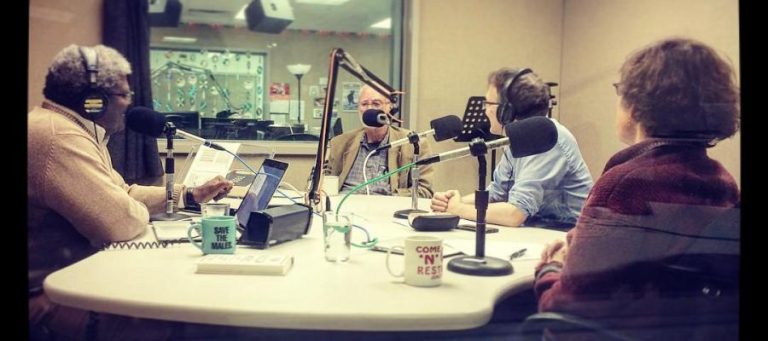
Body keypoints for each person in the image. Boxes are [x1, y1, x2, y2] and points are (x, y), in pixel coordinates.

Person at [533, 37, 740, 339]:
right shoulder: (722, 182)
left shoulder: (627, 184)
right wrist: (577, 245)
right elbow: (657, 257)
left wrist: (548, 270)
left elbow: (563, 311)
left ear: (636, 105)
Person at [28, 44, 234, 339]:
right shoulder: (58, 137)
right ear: (93, 101)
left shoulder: (67, 127)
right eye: (123, 95)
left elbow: (121, 193)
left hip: (67, 278)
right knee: (187, 322)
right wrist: (123, 206)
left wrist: (189, 195)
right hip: (44, 296)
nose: (129, 104)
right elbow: (119, 221)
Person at [431, 68, 593, 228]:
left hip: (565, 238)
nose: (484, 109)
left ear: (506, 111)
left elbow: (515, 214)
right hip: (541, 232)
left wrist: (458, 209)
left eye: (488, 103)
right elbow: (497, 194)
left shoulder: (547, 139)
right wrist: (451, 201)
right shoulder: (519, 137)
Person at [326, 84, 434, 198]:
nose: (369, 109)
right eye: (364, 104)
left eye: (376, 104)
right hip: (344, 208)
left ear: (389, 107)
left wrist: (391, 198)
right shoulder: (339, 143)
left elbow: (424, 191)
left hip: (387, 210)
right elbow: (319, 182)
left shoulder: (413, 144)